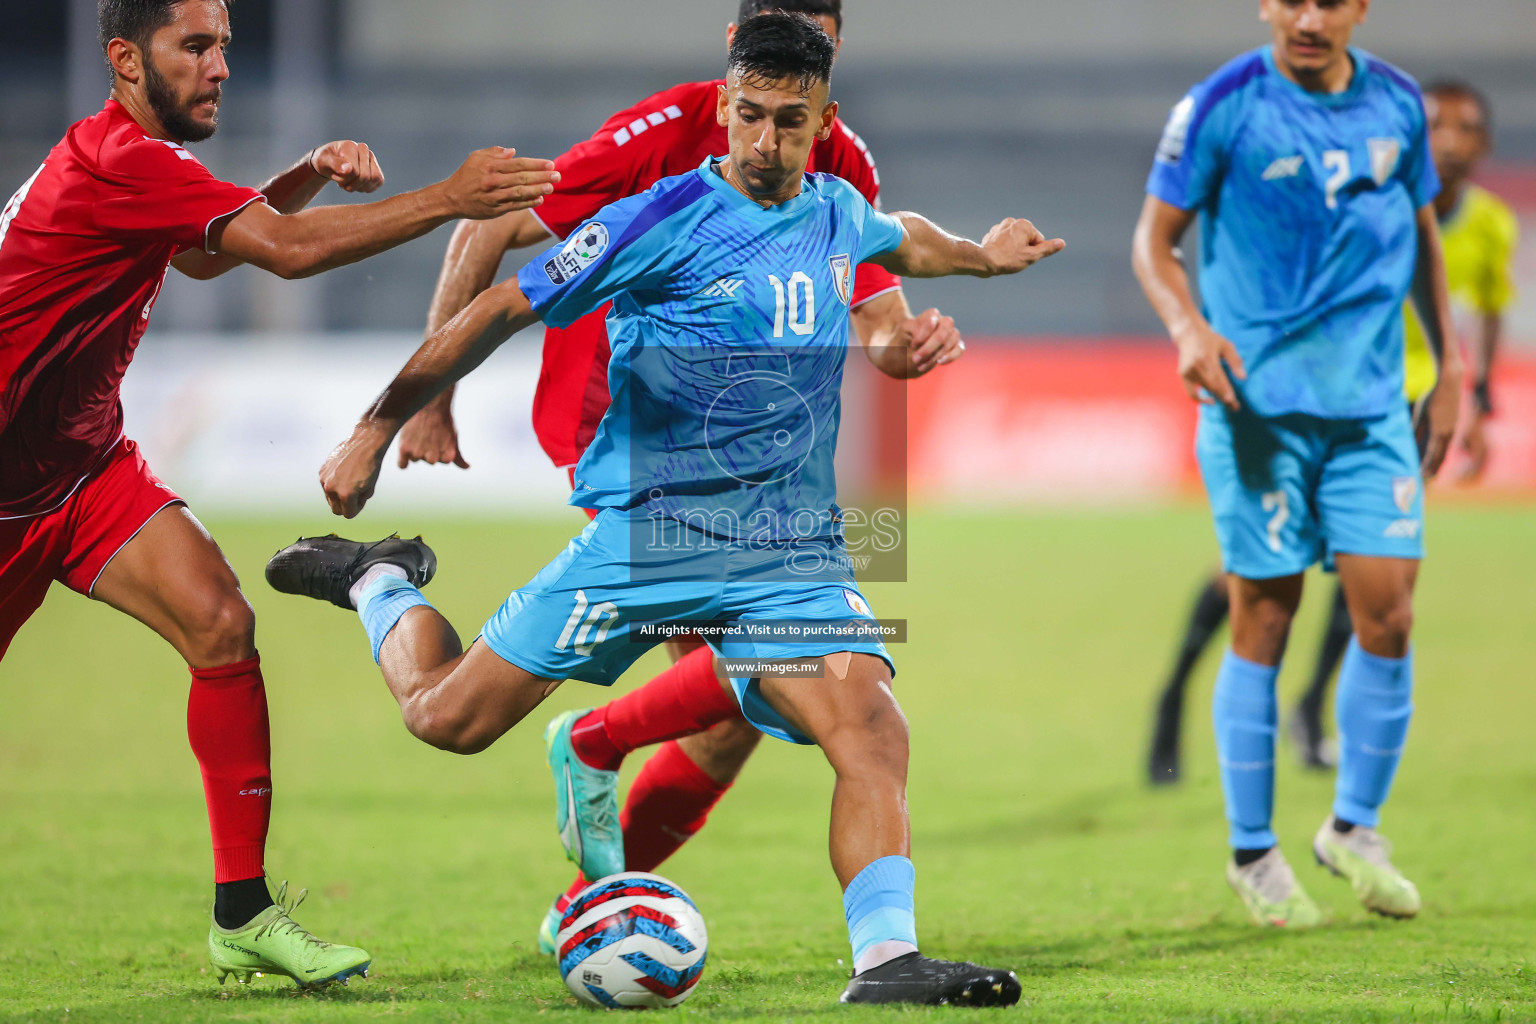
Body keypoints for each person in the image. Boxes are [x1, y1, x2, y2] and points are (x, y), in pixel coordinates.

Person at [268, 13, 1061, 1005]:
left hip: (788, 552)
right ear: (725, 106)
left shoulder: (837, 210)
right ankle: (377, 579)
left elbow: (911, 243)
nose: (767, 145)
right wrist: (379, 424)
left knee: (870, 731)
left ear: (824, 120)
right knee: (445, 718)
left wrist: (986, 256)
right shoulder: (657, 218)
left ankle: (886, 961)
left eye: (791, 122)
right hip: (649, 540)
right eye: (753, 118)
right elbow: (505, 307)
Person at [0, 0, 557, 987]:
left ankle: (243, 911)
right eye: (197, 47)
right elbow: (287, 256)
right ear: (127, 59)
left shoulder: (135, 162)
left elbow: (209, 255)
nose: (220, 66)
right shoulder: (119, 163)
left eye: (225, 45)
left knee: (220, 623)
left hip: (79, 470)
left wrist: (298, 178)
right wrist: (451, 198)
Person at [393, 0, 958, 953]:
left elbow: (875, 308)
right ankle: (594, 758)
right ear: (733, 48)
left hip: (762, 472)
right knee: (751, 678)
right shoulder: (663, 129)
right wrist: (427, 396)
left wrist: (907, 346)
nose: (771, 129)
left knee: (747, 715)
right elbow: (488, 233)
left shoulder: (838, 159)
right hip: (641, 431)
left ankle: (598, 901)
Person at [1131, 0, 1462, 927]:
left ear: (1360, 7)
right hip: (1257, 407)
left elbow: (1423, 229)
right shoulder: (1223, 103)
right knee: (1266, 620)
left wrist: (1450, 367)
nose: (1308, 17)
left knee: (1389, 615)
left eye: (1331, 0)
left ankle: (1353, 829)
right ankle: (1252, 850)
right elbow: (1152, 242)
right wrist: (1188, 327)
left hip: (1370, 405)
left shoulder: (1396, 102)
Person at [1144, 78, 1519, 786]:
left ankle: (1311, 709)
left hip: (1399, 408)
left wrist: (1476, 395)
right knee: (1254, 576)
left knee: (1377, 582)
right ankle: (1175, 693)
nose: (1447, 138)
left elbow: (1489, 305)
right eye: (1435, 124)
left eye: (1465, 128)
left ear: (1484, 145)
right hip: (1317, 394)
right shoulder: (1362, 193)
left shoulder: (1491, 224)